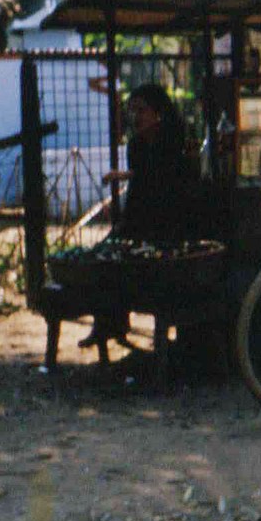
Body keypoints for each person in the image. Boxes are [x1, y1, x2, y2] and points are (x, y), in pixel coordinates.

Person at [82, 83, 192, 349]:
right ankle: (108, 323)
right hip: (140, 219)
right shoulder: (136, 146)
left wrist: (125, 176)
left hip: (170, 221)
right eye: (133, 111)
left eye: (141, 111)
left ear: (158, 114)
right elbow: (139, 192)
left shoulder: (173, 140)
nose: (136, 117)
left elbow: (163, 179)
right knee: (104, 257)